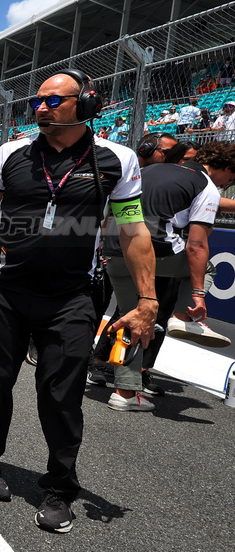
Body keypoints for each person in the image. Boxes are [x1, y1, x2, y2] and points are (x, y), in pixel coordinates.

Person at [0, 70, 156, 534]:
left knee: (61, 394)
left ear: (86, 103)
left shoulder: (117, 159)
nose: (41, 107)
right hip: (5, 291)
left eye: (54, 101)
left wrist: (148, 299)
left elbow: (133, 230)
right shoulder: (11, 152)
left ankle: (60, 488)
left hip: (73, 297)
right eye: (38, 100)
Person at [94, 140, 229, 412]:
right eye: (232, 175)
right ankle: (183, 317)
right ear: (224, 168)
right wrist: (197, 296)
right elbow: (196, 245)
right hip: (152, 251)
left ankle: (126, 394)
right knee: (205, 267)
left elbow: (111, 210)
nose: (230, 181)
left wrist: (104, 249)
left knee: (134, 318)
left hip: (114, 251)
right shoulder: (206, 187)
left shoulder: (147, 172)